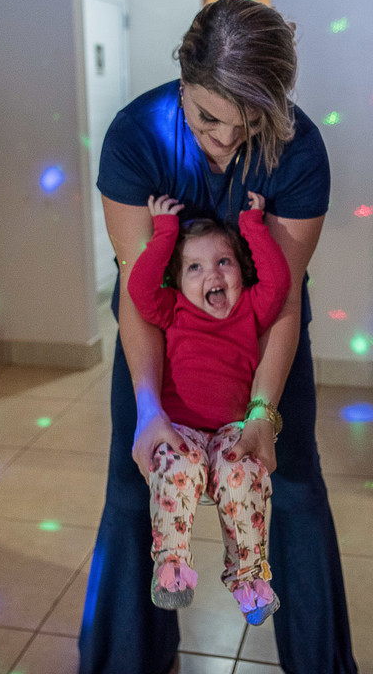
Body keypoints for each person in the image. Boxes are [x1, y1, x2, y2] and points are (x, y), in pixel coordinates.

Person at [80, 0, 358, 674]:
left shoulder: (300, 149)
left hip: (261, 337)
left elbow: (282, 302)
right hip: (162, 332)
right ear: (183, 74)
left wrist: (262, 411)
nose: (227, 141)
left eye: (249, 123)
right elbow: (140, 296)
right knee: (131, 486)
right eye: (208, 118)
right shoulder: (135, 137)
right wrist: (149, 411)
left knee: (290, 484)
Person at [130, 192, 290, 625]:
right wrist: (164, 234)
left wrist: (254, 228)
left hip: (230, 431)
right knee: (172, 466)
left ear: (240, 270)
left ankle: (248, 576)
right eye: (195, 267)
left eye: (224, 262)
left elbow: (278, 284)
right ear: (178, 280)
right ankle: (172, 564)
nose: (213, 275)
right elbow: (140, 290)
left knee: (244, 473)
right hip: (178, 427)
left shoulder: (250, 309)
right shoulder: (173, 309)